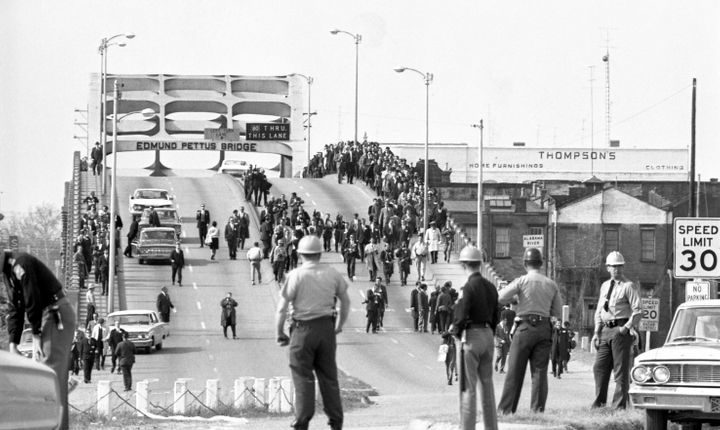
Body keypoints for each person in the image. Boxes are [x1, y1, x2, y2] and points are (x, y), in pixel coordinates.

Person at [275, 235, 351, 430]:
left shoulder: (295, 275)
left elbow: (282, 308)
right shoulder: (332, 273)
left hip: (302, 329)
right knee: (328, 376)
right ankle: (336, 421)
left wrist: (280, 332)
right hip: (326, 327)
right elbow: (345, 301)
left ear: (300, 254)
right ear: (319, 253)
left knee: (302, 376)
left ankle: (302, 420)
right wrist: (339, 325)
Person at [2, 250, 77, 430]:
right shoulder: (8, 273)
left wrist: (35, 334)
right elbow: (15, 307)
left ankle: (52, 426)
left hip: (54, 313)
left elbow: (32, 298)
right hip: (49, 315)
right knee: (53, 378)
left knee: (50, 377)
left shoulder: (20, 264)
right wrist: (13, 342)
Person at [497, 248, 563, 415]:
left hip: (524, 328)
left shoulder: (521, 281)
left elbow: (500, 297)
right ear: (540, 263)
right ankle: (537, 411)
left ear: (525, 264)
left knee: (515, 371)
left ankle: (506, 410)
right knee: (540, 372)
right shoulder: (551, 284)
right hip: (544, 329)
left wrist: (515, 299)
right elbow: (558, 312)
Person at [449, 246, 500, 430]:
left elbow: (461, 316)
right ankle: (491, 427)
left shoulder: (468, 288)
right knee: (487, 387)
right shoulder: (491, 287)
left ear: (464, 264)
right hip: (488, 335)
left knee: (468, 388)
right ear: (480, 263)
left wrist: (454, 331)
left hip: (471, 337)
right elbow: (496, 314)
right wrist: (490, 331)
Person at [591, 251, 641, 409]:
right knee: (599, 367)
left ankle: (618, 407)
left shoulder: (628, 286)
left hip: (620, 330)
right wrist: (596, 333)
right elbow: (600, 309)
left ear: (623, 267)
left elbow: (638, 310)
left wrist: (626, 328)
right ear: (608, 268)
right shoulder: (605, 286)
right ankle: (599, 404)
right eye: (613, 266)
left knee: (620, 371)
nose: (617, 269)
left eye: (619, 266)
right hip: (605, 330)